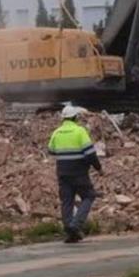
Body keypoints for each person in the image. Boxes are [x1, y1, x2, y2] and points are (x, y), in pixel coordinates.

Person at [47, 104, 101, 242]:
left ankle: (69, 230)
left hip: (62, 173)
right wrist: (98, 168)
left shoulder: (57, 132)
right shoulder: (80, 131)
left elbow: (51, 150)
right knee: (89, 196)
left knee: (66, 201)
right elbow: (90, 154)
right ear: (75, 117)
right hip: (79, 172)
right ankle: (75, 225)